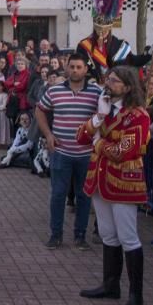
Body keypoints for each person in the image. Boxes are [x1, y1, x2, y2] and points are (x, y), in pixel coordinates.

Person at [78, 66, 151, 305]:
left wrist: (98, 142)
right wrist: (99, 117)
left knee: (128, 238)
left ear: (128, 87)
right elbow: (80, 136)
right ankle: (111, 285)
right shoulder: (105, 109)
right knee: (108, 235)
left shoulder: (139, 115)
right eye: (108, 79)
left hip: (124, 183)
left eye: (114, 81)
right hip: (99, 180)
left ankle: (136, 296)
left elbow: (124, 151)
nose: (108, 83)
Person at [36, 53, 102, 250]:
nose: (75, 70)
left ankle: (80, 236)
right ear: (67, 69)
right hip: (61, 152)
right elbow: (39, 110)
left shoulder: (96, 94)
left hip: (86, 154)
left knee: (84, 196)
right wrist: (48, 134)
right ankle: (56, 235)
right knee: (58, 194)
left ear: (85, 70)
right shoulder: (55, 91)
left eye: (79, 67)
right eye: (71, 67)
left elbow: (105, 116)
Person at [75, 0, 151, 82]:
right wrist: (90, 79)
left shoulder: (120, 45)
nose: (102, 31)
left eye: (105, 28)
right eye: (99, 27)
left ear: (110, 27)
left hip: (115, 89)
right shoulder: (83, 46)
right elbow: (79, 67)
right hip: (92, 89)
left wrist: (149, 54)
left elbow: (133, 61)